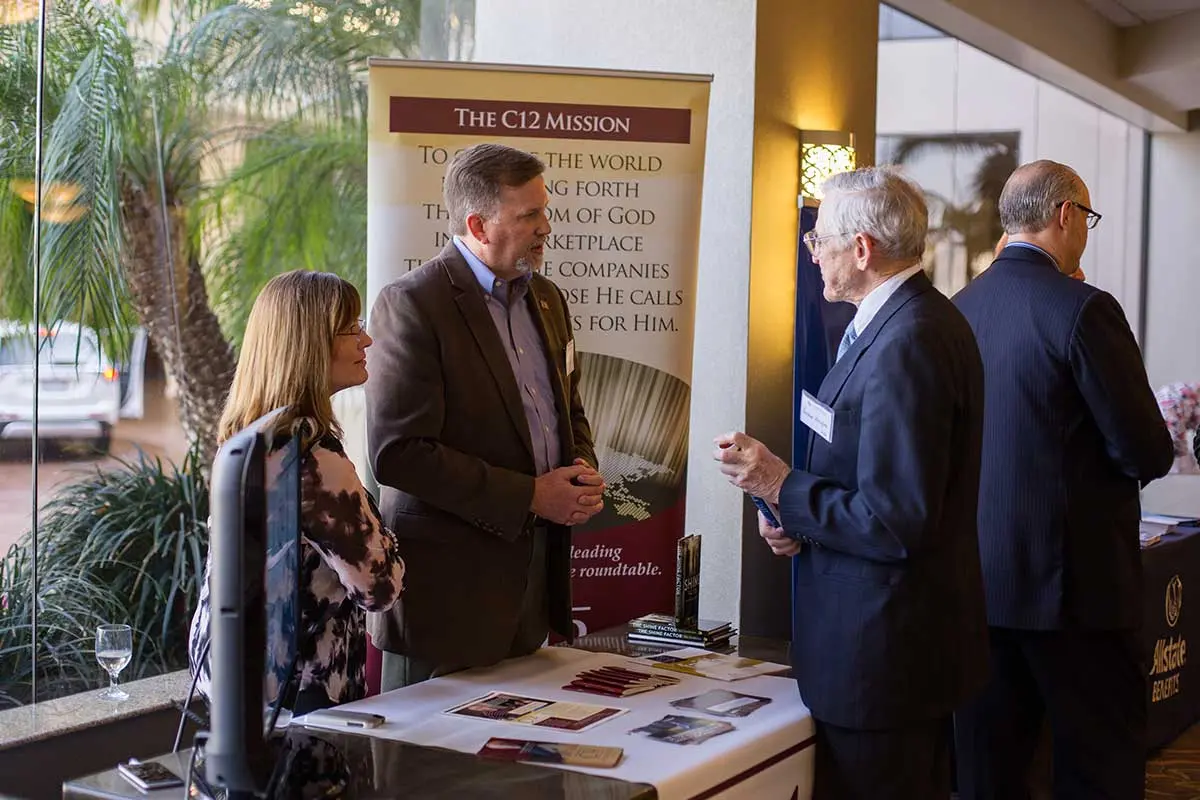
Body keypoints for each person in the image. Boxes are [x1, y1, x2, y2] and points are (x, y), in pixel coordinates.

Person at [714, 167, 989, 799]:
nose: (812, 251)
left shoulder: (908, 338)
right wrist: (793, 520)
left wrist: (782, 484)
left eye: (818, 238)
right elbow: (867, 471)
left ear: (861, 248)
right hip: (880, 643)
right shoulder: (895, 321)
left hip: (882, 654)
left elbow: (896, 520)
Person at [953, 160, 1173, 800]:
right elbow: (1145, 452)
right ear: (1064, 215)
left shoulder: (956, 310)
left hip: (979, 589)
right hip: (1076, 595)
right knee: (1096, 770)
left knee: (989, 774)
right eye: (1088, 218)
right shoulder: (1084, 310)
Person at [366, 142, 603, 690]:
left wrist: (580, 469)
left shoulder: (547, 299)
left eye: (545, 209)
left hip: (529, 589)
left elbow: (568, 409)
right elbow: (398, 453)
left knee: (516, 765)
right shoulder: (413, 304)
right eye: (529, 215)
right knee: (426, 769)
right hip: (446, 605)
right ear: (477, 223)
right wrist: (531, 495)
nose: (547, 226)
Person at [188, 270, 406, 714]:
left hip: (237, 688)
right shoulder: (314, 461)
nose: (366, 341)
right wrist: (390, 534)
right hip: (306, 696)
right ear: (310, 345)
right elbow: (380, 587)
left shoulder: (246, 441)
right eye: (352, 328)